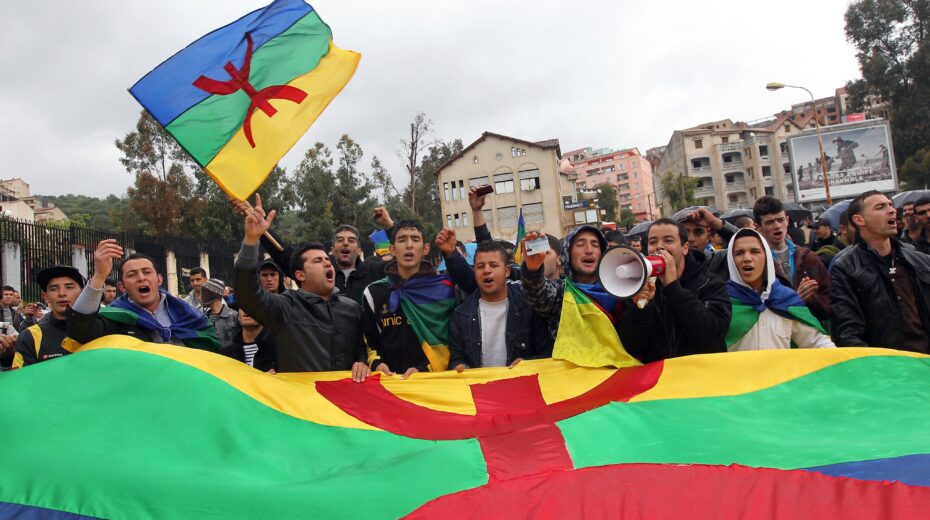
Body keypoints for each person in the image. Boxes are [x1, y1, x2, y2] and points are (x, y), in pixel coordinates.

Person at [233, 197, 367, 375]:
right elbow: (247, 295)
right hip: (300, 401)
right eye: (318, 261)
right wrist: (251, 241)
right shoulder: (285, 306)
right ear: (300, 275)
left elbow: (361, 349)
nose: (328, 264)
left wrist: (362, 362)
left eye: (328, 260)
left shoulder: (353, 309)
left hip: (343, 401)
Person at [68, 240, 221, 351]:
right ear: (122, 286)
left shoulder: (187, 313)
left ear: (159, 280)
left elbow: (211, 349)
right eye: (132, 274)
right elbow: (79, 332)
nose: (141, 278)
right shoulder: (115, 317)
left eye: (147, 272)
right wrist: (99, 275)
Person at [617, 218, 731, 363]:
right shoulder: (640, 287)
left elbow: (711, 335)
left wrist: (673, 288)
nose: (659, 246)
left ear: (685, 248)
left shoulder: (711, 283)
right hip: (660, 379)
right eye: (653, 242)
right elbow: (630, 347)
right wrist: (641, 308)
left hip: (702, 378)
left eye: (668, 240)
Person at [830, 191, 930, 352]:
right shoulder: (846, 267)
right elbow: (848, 331)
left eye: (890, 205)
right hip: (886, 368)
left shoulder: (921, 261)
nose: (891, 210)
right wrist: (874, 368)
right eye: (880, 207)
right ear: (859, 220)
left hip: (924, 363)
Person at [362, 219, 457, 379]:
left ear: (425, 248)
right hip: (389, 385)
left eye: (415, 239)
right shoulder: (373, 293)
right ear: (392, 249)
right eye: (402, 239)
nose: (409, 245)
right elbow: (370, 342)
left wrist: (423, 370)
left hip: (432, 381)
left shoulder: (445, 289)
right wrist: (377, 364)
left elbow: (450, 342)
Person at [443, 240, 552, 370]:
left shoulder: (529, 307)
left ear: (507, 271)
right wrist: (460, 366)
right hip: (479, 388)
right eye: (480, 266)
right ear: (475, 272)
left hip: (522, 386)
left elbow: (547, 352)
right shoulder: (460, 316)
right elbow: (457, 357)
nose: (487, 271)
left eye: (493, 265)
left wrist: (528, 363)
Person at [724, 229, 834, 351]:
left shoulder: (787, 300)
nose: (747, 258)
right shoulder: (722, 303)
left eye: (755, 252)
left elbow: (816, 343)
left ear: (767, 257)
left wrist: (846, 361)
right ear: (731, 259)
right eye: (739, 253)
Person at [753, 196, 831, 322]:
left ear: (787, 220)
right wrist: (794, 299)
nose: (777, 226)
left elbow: (829, 304)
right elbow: (755, 307)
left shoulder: (809, 258)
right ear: (758, 227)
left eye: (780, 220)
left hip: (810, 333)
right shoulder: (755, 262)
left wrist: (812, 299)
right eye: (770, 222)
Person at [11, 266, 85, 368]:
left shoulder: (103, 327)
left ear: (82, 292)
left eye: (69, 287)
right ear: (45, 297)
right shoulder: (30, 336)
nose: (62, 293)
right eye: (53, 289)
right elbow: (21, 380)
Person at [220, 308, 276, 372]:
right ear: (238, 316)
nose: (247, 309)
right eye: (243, 306)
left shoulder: (281, 351)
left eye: (253, 305)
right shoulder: (224, 355)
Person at [200, 278, 238, 350]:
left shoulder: (234, 316)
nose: (200, 297)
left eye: (203, 294)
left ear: (211, 295)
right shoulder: (203, 318)